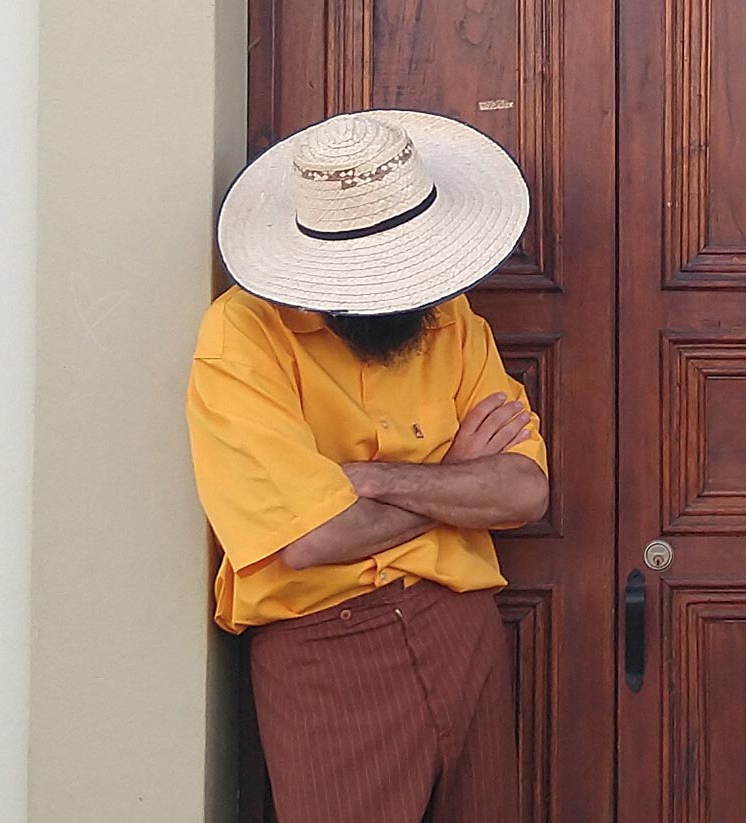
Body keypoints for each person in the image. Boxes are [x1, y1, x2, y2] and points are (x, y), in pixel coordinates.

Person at [186, 109, 547, 823]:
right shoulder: (244, 337)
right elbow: (313, 538)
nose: (395, 292)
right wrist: (452, 474)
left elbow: (523, 490)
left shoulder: (449, 317)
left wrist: (378, 479)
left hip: (462, 629)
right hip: (327, 651)